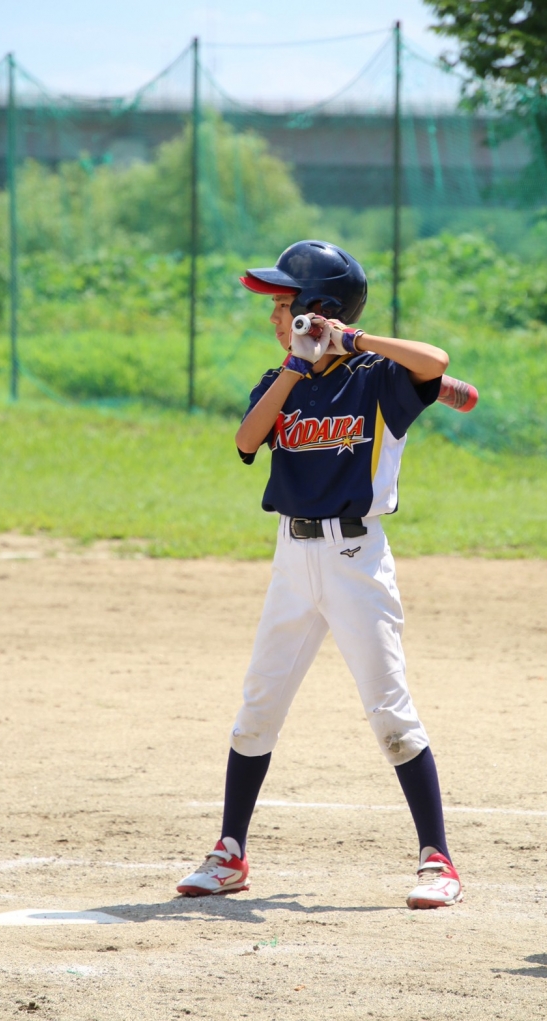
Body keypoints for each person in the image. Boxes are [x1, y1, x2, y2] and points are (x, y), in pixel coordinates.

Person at [177, 240, 463, 909]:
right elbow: (247, 439)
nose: (275, 316)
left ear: (319, 309)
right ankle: (230, 852)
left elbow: (436, 362)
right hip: (292, 560)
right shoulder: (283, 381)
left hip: (356, 561)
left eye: (285, 305)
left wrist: (352, 339)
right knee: (257, 707)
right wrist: (295, 367)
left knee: (390, 713)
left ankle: (437, 858)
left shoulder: (377, 378)